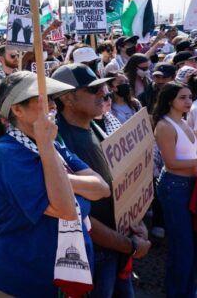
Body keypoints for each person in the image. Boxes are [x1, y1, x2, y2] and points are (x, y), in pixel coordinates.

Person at [0, 73, 109, 297]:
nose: (51, 105)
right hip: (24, 280)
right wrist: (48, 149)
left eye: (51, 98)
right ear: (17, 110)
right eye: (41, 100)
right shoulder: (8, 153)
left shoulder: (53, 144)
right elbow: (65, 210)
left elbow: (101, 187)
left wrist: (56, 178)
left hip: (60, 275)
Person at [52, 64, 150, 298]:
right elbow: (78, 216)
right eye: (92, 89)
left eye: (102, 88)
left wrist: (138, 222)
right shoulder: (58, 143)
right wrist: (130, 246)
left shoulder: (97, 126)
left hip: (118, 245)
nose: (103, 93)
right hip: (95, 254)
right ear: (67, 98)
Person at [154, 82, 197, 297]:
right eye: (182, 97)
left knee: (194, 241)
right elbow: (171, 162)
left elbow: (188, 155)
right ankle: (177, 292)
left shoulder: (183, 121)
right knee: (181, 245)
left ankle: (188, 289)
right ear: (169, 99)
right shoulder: (164, 126)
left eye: (190, 97)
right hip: (174, 187)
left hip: (190, 186)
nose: (188, 101)